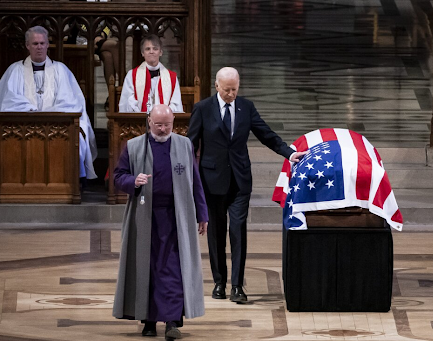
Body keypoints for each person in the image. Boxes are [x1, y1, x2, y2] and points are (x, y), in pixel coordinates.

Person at [187, 67, 306, 303]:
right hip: (212, 181)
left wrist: (288, 153)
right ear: (217, 86)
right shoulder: (202, 109)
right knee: (217, 233)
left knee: (238, 231)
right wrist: (185, 175)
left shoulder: (246, 107)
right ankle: (219, 283)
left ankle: (237, 286)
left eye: (235, 89)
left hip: (240, 180)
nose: (231, 94)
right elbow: (190, 144)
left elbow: (265, 134)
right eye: (227, 89)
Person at [112, 104, 208, 338]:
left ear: (174, 122)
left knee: (174, 270)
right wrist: (134, 181)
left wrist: (202, 214)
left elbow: (195, 181)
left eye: (168, 124)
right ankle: (148, 321)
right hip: (145, 219)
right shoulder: (134, 146)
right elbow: (118, 176)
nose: (163, 129)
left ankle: (173, 322)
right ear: (149, 121)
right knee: (148, 269)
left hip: (177, 219)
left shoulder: (184, 145)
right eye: (159, 125)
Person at [0, 26, 97, 180]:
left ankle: (67, 182)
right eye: (35, 44)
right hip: (23, 124)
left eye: (42, 43)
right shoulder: (15, 70)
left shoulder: (61, 70)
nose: (39, 47)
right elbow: (9, 101)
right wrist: (31, 111)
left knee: (77, 137)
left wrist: (48, 115)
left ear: (48, 45)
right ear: (27, 46)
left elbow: (70, 102)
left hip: (57, 124)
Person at [119, 34, 183, 113]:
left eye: (155, 49)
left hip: (163, 121)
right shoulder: (131, 75)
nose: (151, 52)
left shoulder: (172, 77)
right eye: (147, 49)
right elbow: (128, 102)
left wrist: (161, 115)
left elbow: (175, 104)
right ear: (142, 53)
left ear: (161, 52)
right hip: (139, 121)